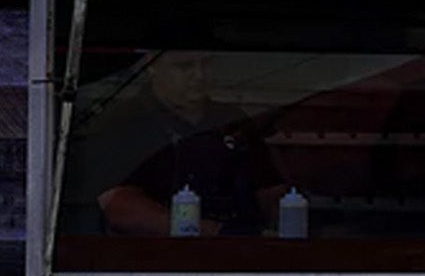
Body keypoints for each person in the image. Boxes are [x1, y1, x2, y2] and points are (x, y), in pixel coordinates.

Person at [74, 51, 283, 236]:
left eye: (206, 64)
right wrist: (210, 232)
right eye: (184, 66)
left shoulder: (232, 119)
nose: (199, 75)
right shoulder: (122, 123)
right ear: (151, 65)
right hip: (149, 263)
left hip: (239, 260)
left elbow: (269, 190)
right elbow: (117, 205)